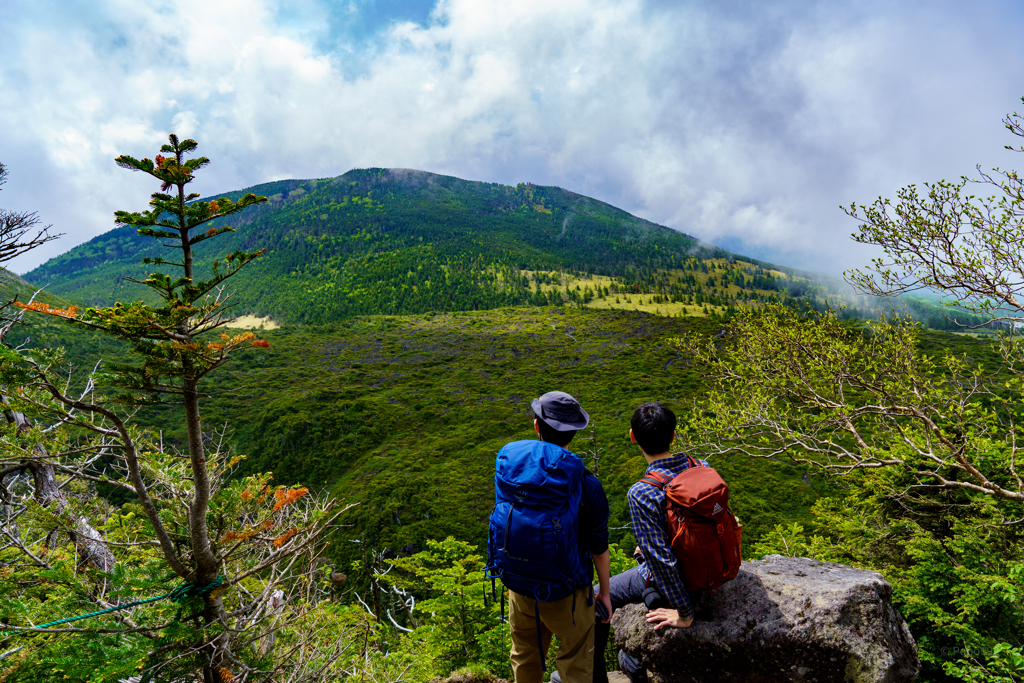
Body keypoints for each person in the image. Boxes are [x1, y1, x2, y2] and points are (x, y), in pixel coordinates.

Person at [491, 391, 613, 683]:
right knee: (575, 661)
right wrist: (605, 594)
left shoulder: (511, 470)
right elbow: (598, 546)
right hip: (567, 592)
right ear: (574, 432)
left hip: (519, 585)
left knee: (524, 656)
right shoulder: (586, 484)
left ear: (537, 427)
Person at [592, 402, 700, 683]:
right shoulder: (699, 467)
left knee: (593, 598)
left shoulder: (642, 492)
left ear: (632, 437)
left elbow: (661, 561)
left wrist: (685, 614)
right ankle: (632, 661)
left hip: (681, 577)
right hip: (709, 565)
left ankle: (593, 679)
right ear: (673, 436)